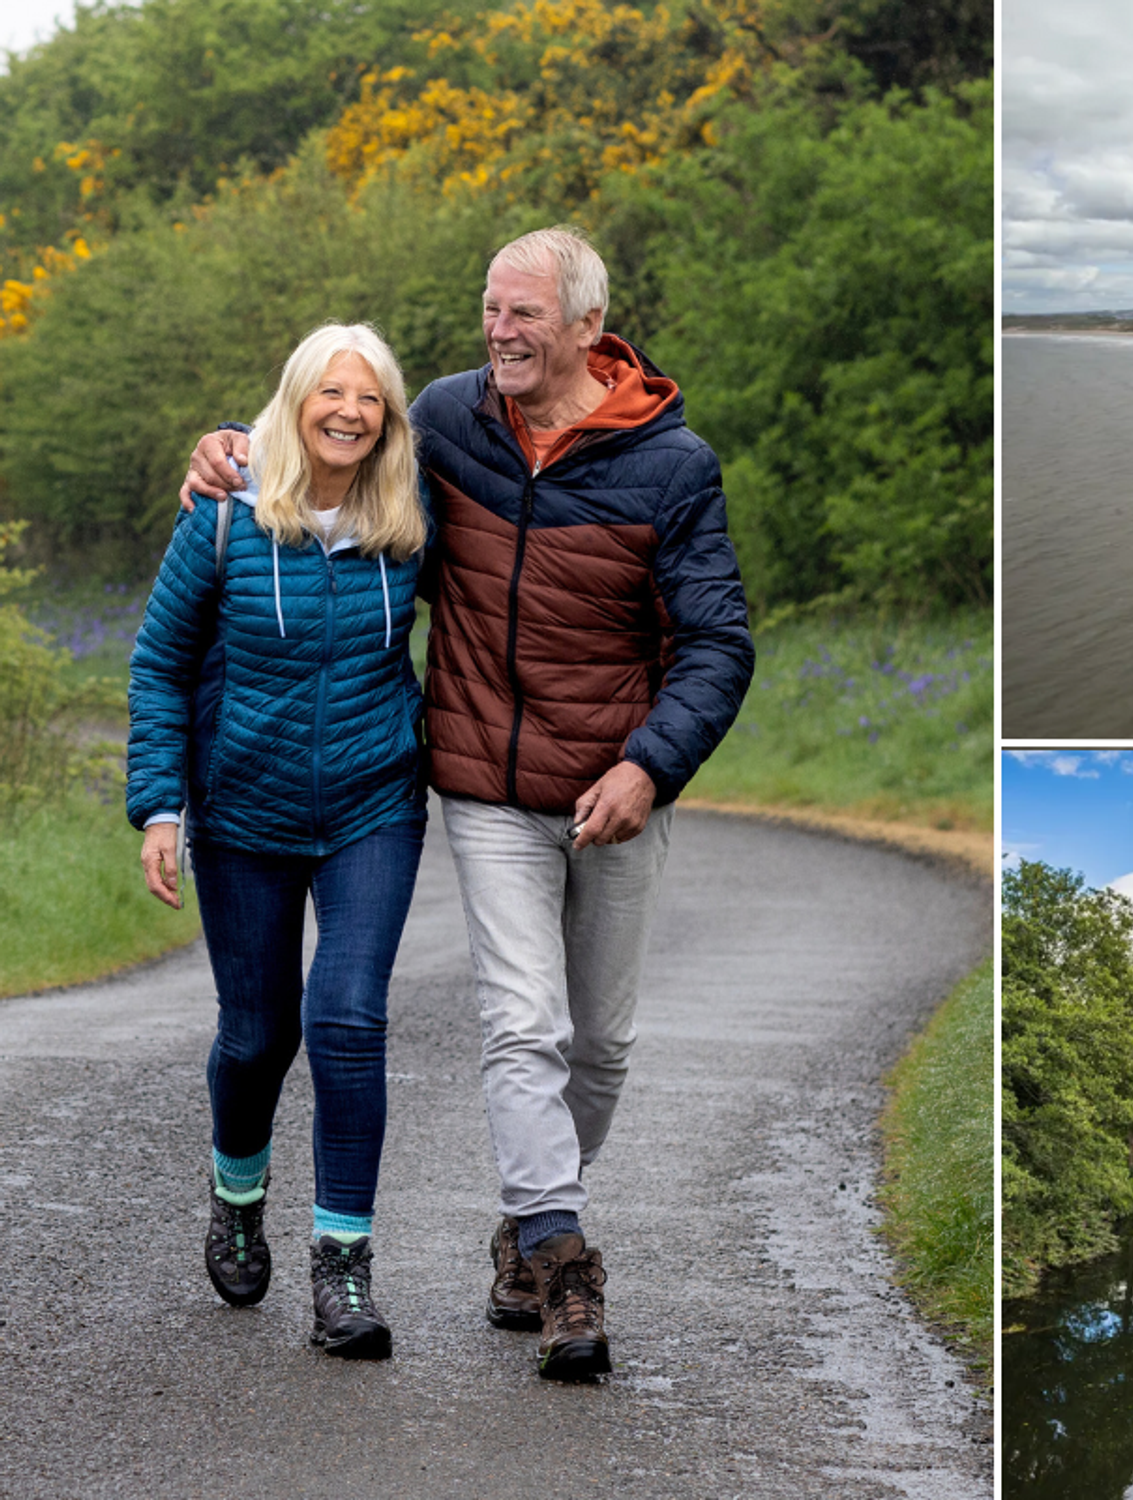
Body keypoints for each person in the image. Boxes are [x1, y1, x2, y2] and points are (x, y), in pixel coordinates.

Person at [184, 227, 755, 1381]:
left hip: (615, 792)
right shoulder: (448, 418)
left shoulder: (672, 466)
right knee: (519, 1025)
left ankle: (518, 1229)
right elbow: (328, 422)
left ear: (589, 328)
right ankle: (559, 1252)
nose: (498, 332)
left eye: (524, 315)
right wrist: (232, 443)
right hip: (484, 789)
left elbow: (717, 643)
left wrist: (650, 765)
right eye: (490, 311)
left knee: (598, 1046)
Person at [134, 323, 430, 1360]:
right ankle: (237, 1193)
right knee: (257, 1034)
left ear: (389, 416)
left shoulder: (409, 513)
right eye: (330, 394)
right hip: (244, 813)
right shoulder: (224, 512)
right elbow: (161, 665)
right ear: (296, 398)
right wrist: (160, 807)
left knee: (347, 1019)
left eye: (370, 398)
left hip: (373, 806)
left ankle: (343, 1268)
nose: (350, 412)